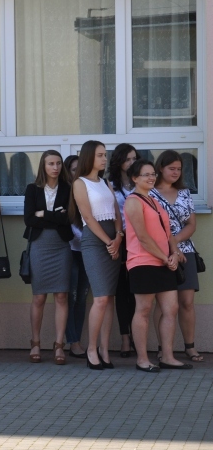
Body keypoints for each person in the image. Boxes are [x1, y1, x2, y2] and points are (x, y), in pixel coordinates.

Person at [124, 159, 191, 372]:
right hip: (143, 262)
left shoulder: (154, 200)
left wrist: (175, 253)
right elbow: (142, 237)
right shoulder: (133, 201)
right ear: (135, 178)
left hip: (163, 261)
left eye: (153, 173)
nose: (152, 177)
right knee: (143, 310)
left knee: (171, 309)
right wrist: (165, 257)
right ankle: (142, 359)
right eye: (146, 174)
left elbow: (167, 232)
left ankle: (167, 357)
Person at [69, 140, 122, 370]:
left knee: (109, 297)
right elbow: (88, 217)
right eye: (100, 155)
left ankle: (104, 349)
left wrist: (118, 236)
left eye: (105, 155)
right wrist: (109, 241)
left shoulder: (105, 182)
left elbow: (117, 212)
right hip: (95, 241)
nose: (104, 159)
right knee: (100, 297)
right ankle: (91, 349)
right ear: (89, 156)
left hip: (113, 240)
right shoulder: (80, 183)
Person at [151, 150, 203, 363]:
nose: (176, 172)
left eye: (179, 169)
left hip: (185, 252)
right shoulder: (149, 193)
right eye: (171, 168)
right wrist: (170, 247)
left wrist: (177, 243)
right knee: (163, 303)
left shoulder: (184, 193)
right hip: (159, 253)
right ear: (160, 168)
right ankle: (163, 348)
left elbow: (191, 224)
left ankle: (190, 347)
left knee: (187, 301)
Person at [23, 150, 73, 365]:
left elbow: (69, 219)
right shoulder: (32, 189)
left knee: (61, 296)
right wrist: (55, 217)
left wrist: (43, 214)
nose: (55, 167)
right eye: (51, 163)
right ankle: (35, 342)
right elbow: (29, 219)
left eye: (58, 163)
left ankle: (59, 345)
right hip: (39, 246)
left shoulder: (68, 188)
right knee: (39, 297)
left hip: (61, 247)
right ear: (43, 166)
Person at [108, 143, 139, 357]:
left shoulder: (142, 183)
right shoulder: (110, 185)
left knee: (137, 290)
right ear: (119, 161)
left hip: (139, 242)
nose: (131, 163)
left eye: (134, 158)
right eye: (127, 159)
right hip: (120, 240)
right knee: (121, 291)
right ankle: (125, 338)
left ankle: (137, 335)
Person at [63, 155, 90, 359]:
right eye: (73, 170)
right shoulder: (65, 193)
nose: (77, 173)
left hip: (88, 252)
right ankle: (73, 342)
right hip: (70, 251)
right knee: (70, 297)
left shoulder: (90, 190)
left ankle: (77, 339)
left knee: (82, 298)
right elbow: (68, 226)